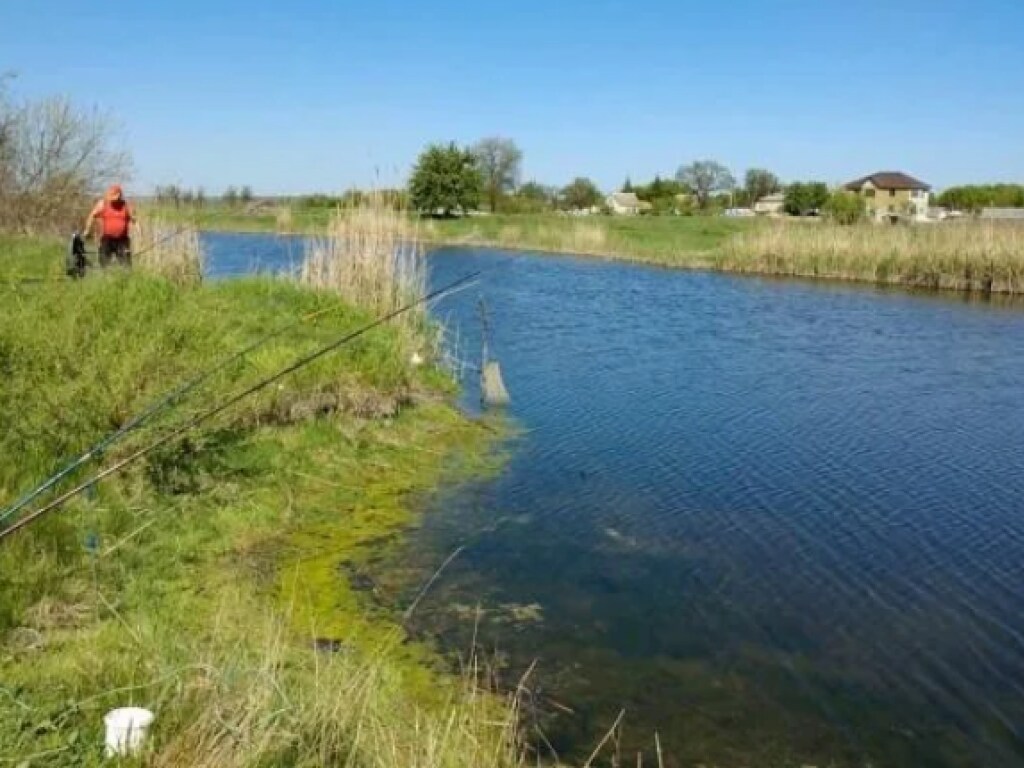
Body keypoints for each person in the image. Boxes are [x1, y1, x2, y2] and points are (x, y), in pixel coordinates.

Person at [83, 184, 135, 267]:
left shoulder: (126, 205)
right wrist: (87, 230)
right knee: (104, 263)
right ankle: (106, 277)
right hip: (107, 238)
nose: (111, 198)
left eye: (114, 195)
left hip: (122, 240)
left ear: (119, 195)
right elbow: (92, 215)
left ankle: (125, 278)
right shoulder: (103, 204)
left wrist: (140, 232)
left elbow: (134, 220)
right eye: (110, 195)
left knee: (126, 265)